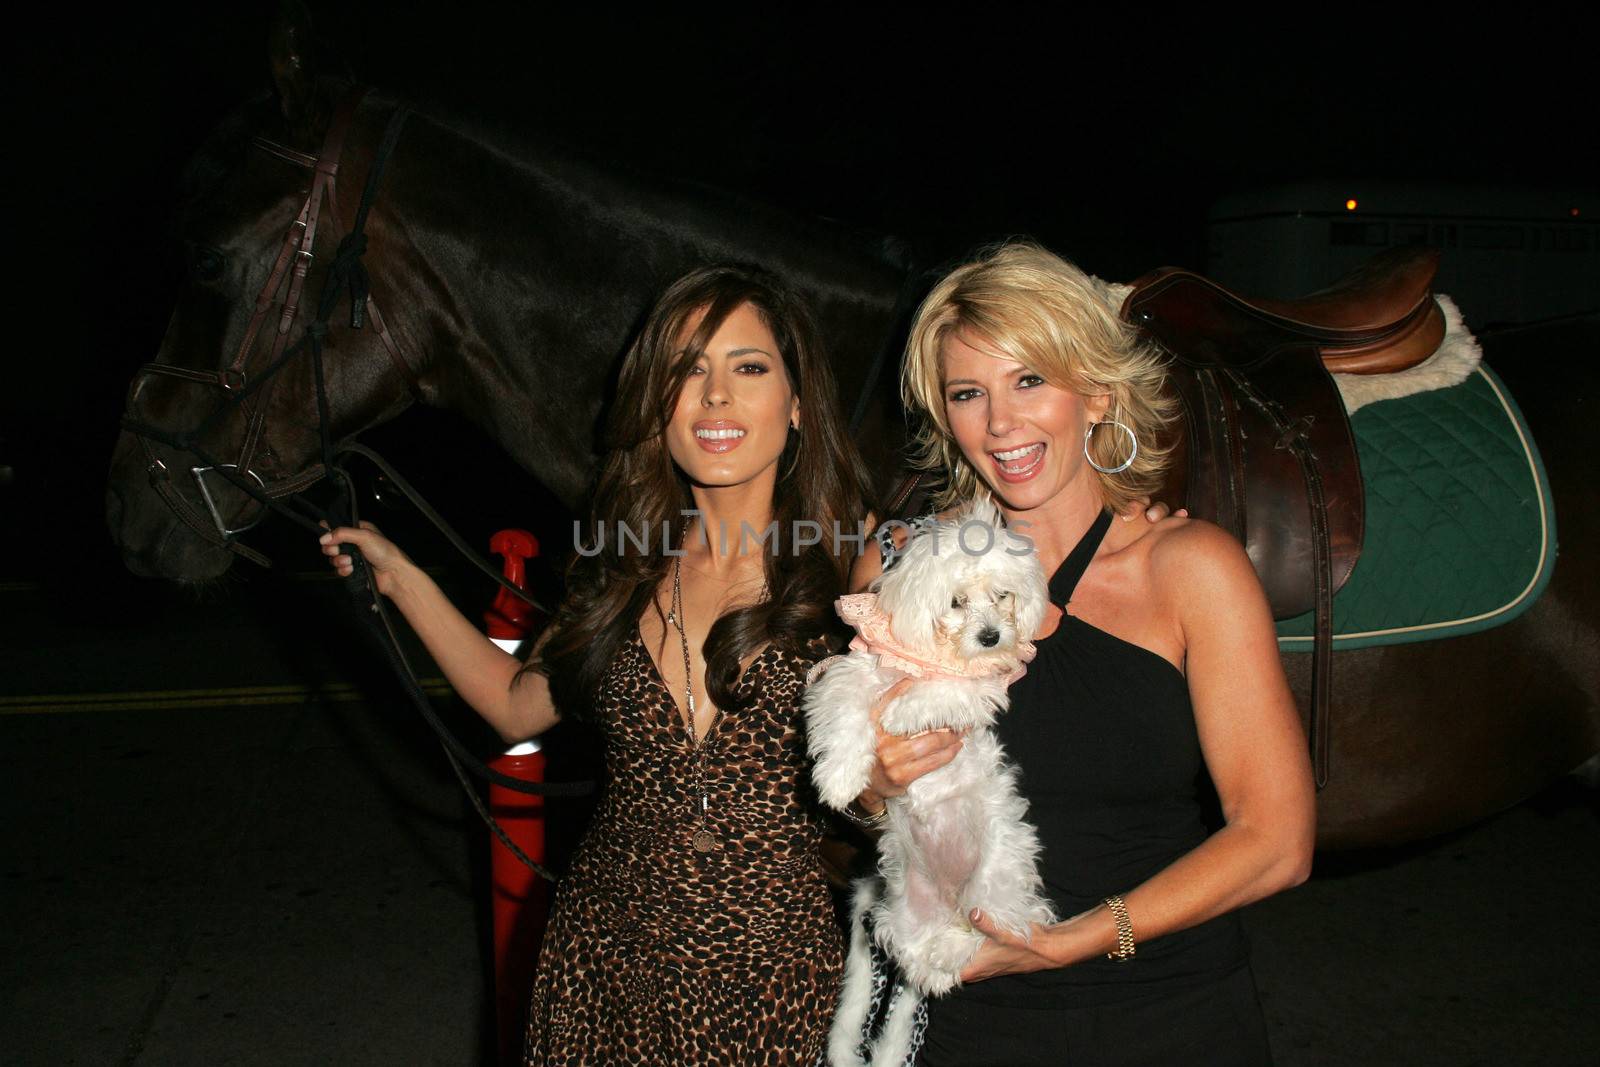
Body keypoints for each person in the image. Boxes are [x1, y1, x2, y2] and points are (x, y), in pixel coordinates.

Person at [320, 264, 876, 1065]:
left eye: (748, 367)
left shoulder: (852, 569)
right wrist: (400, 577)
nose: (715, 396)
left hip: (775, 983)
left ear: (796, 403)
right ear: (659, 402)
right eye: (688, 369)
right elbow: (517, 706)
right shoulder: (622, 564)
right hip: (602, 969)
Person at [849, 241, 1316, 1066]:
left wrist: (1072, 941)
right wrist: (876, 786)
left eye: (1030, 379)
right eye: (968, 393)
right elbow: (869, 809)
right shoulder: (900, 566)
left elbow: (1277, 839)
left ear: (1097, 392)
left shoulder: (1190, 569)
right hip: (968, 1019)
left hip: (1167, 1011)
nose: (1000, 422)